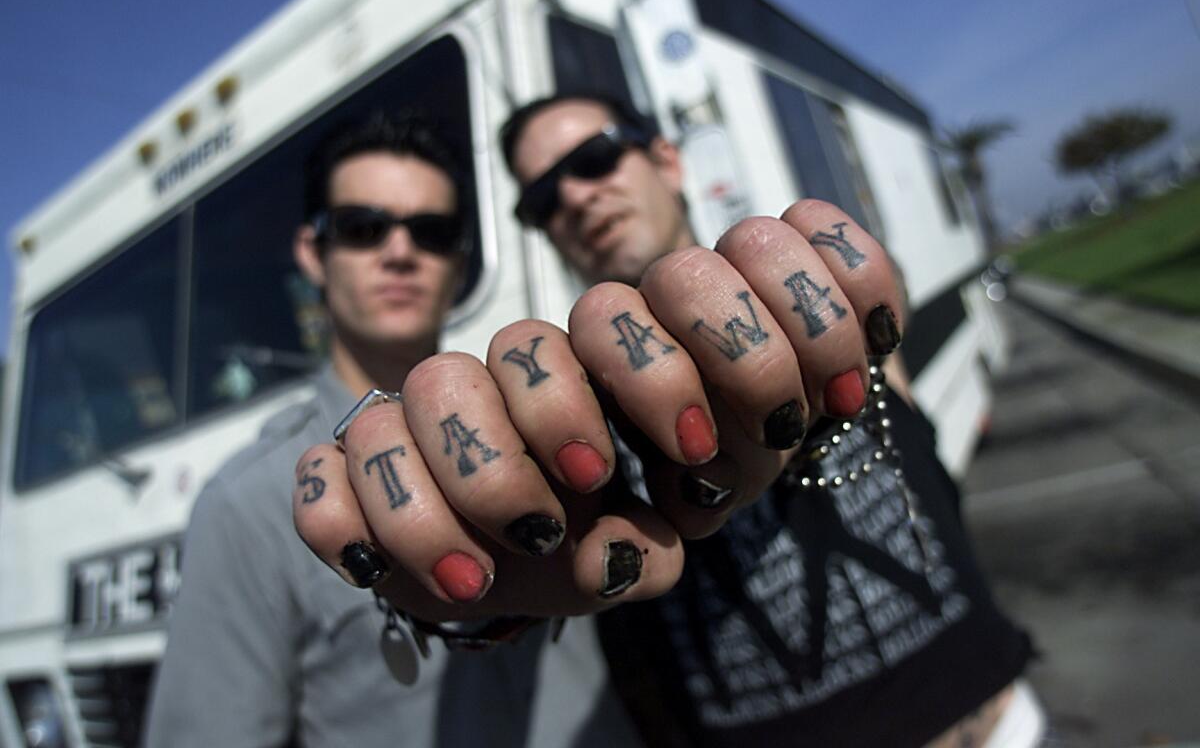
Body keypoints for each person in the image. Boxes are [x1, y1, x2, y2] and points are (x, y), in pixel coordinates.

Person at [296, 95, 1043, 747]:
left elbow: (893, 369)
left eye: (594, 158)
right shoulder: (570, 406)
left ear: (665, 159)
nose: (577, 199)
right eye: (543, 198)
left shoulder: (813, 285)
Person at [144, 111, 648, 748]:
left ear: (459, 259)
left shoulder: (544, 417)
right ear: (313, 252)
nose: (400, 252)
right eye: (363, 228)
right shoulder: (246, 503)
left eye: (431, 232)